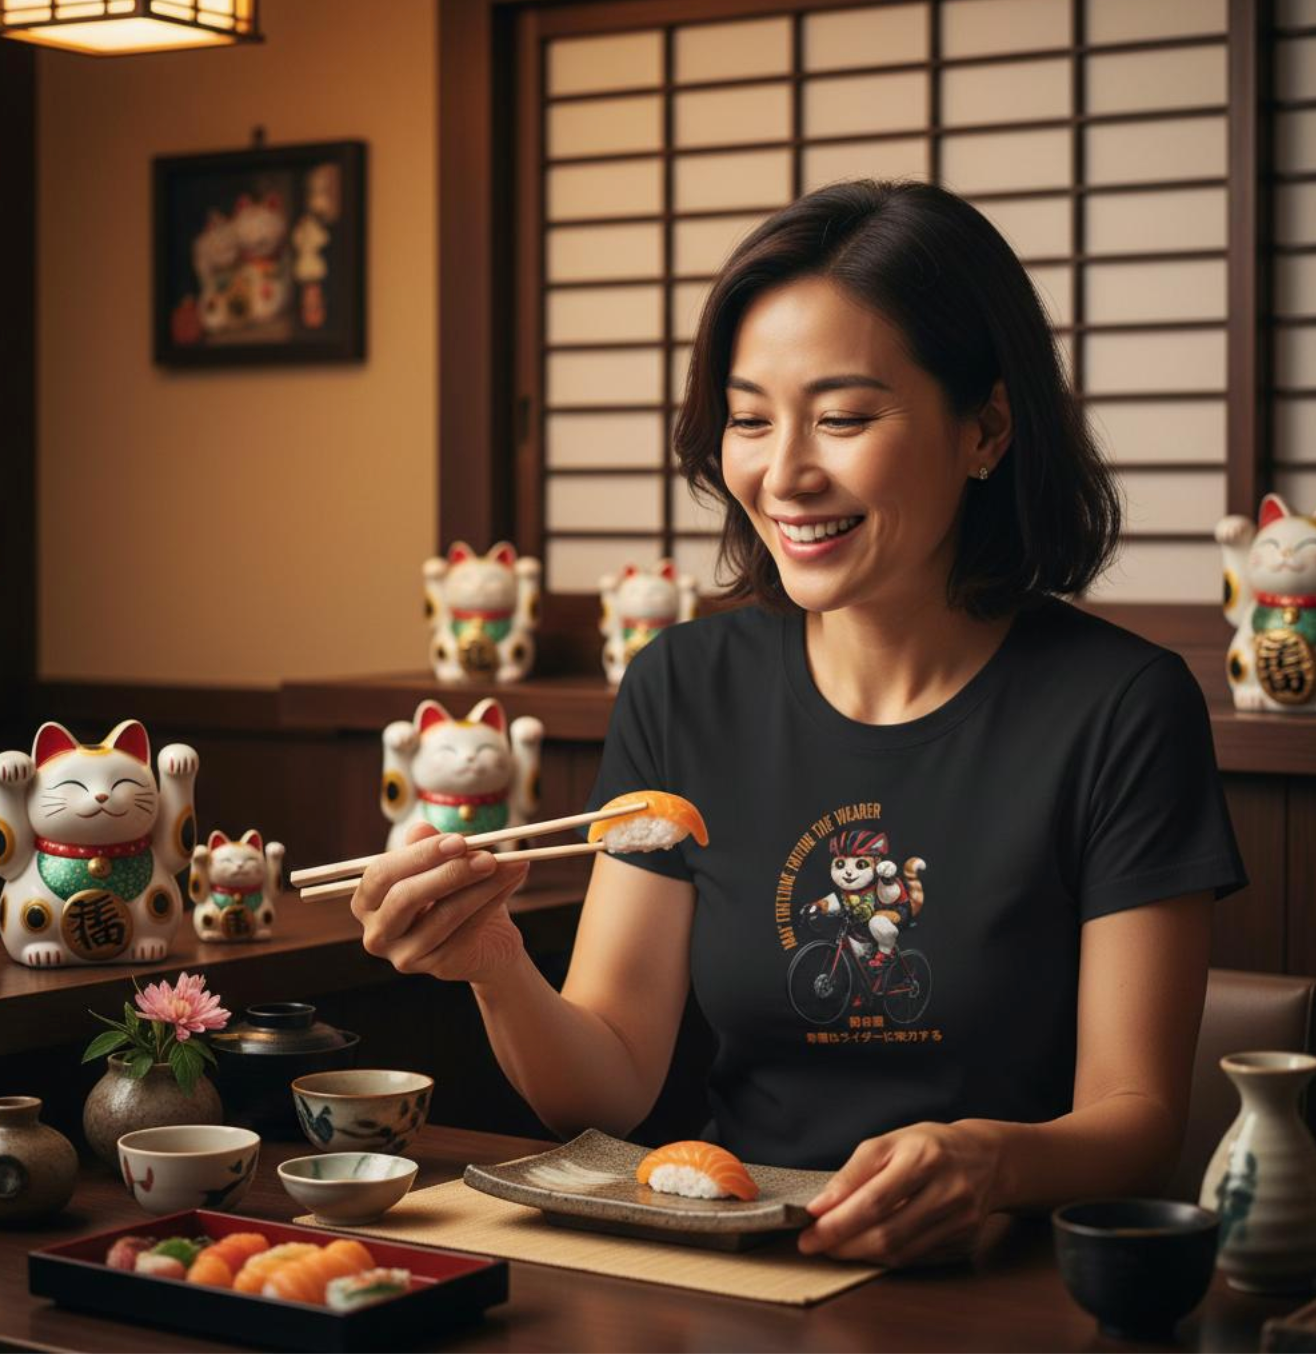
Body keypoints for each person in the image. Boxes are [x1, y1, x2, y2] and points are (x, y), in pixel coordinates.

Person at [352, 179, 1247, 1269]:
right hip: (728, 1267)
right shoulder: (683, 686)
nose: (782, 474)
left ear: (986, 428)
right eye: (746, 419)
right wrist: (491, 961)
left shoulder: (1118, 708)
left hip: (986, 1283)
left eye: (843, 417)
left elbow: (1136, 1120)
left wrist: (989, 1161)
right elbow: (606, 1083)